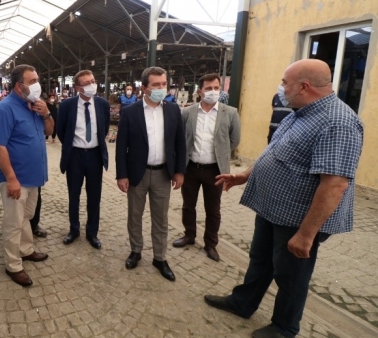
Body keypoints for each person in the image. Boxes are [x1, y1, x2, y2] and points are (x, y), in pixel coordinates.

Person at [204, 59, 363, 338]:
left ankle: (284, 327)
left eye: (285, 83)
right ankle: (243, 302)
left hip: (297, 218)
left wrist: (306, 234)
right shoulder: (298, 114)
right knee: (260, 260)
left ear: (304, 87)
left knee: (291, 273)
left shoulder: (338, 123)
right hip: (273, 209)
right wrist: (244, 176)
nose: (281, 88)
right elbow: (275, 152)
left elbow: (335, 184)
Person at [115, 67, 187, 281]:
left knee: (161, 218)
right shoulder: (130, 112)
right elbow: (121, 146)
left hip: (163, 174)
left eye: (163, 84)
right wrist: (121, 175)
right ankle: (136, 250)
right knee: (135, 215)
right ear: (145, 87)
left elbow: (180, 143)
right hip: (137, 173)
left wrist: (180, 171)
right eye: (156, 85)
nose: (161, 88)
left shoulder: (173, 110)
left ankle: (160, 257)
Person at [0, 64, 55, 287]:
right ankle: (13, 265)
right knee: (13, 222)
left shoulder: (34, 105)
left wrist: (46, 114)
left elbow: (49, 132)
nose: (38, 85)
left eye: (37, 80)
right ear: (19, 86)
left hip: (34, 176)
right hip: (16, 178)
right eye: (32, 81)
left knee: (27, 216)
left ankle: (26, 249)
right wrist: (11, 179)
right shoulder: (4, 109)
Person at [172, 73, 241, 262]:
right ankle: (189, 235)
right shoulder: (188, 112)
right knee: (188, 205)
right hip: (191, 168)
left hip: (215, 170)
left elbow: (234, 140)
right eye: (209, 88)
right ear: (200, 91)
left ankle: (210, 244)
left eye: (216, 88)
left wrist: (220, 153)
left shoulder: (230, 113)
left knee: (213, 209)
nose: (213, 91)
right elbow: (181, 139)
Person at [56, 70, 111, 249]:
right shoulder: (67, 105)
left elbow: (104, 128)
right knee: (74, 195)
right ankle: (74, 229)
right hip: (75, 156)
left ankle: (92, 233)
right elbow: (61, 130)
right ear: (78, 88)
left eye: (93, 81)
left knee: (94, 196)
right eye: (87, 83)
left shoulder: (102, 104)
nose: (92, 85)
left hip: (95, 155)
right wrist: (72, 146)